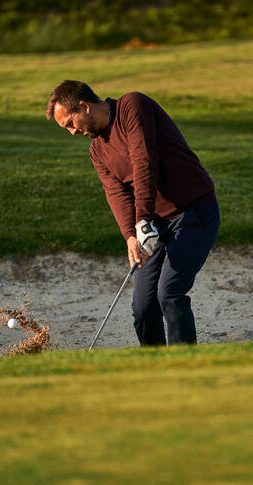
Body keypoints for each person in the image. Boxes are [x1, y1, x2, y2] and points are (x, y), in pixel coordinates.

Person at [46, 80, 220, 346]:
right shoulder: (97, 151)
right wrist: (130, 235)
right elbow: (117, 195)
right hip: (153, 225)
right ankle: (153, 371)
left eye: (70, 123)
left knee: (170, 293)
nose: (71, 132)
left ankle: (185, 366)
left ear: (84, 107)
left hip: (194, 213)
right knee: (143, 306)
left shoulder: (132, 106)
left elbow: (144, 161)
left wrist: (142, 220)